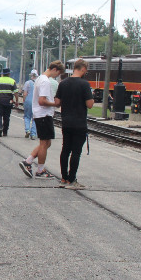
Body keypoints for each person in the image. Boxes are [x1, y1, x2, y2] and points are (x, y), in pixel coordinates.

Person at [55, 58, 96, 189]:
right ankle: (72, 180)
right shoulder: (84, 84)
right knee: (76, 152)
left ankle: (63, 178)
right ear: (83, 69)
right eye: (86, 70)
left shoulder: (63, 83)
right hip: (79, 122)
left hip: (66, 121)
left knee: (65, 149)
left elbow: (57, 102)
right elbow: (89, 105)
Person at [19, 61, 64, 178]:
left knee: (47, 142)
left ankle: (28, 161)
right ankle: (40, 170)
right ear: (54, 69)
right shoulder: (45, 81)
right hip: (43, 114)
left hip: (41, 114)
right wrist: (55, 104)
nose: (57, 76)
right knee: (44, 143)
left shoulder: (39, 79)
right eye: (58, 73)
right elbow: (42, 100)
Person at [0, 68, 19, 137]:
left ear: (2, 74)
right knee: (6, 117)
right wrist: (17, 101)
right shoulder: (12, 81)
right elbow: (16, 92)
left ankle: (0, 127)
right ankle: (5, 131)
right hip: (8, 101)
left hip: (0, 100)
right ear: (9, 73)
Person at [22, 70, 37, 138]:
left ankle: (27, 130)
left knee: (27, 116)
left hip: (28, 101)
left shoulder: (27, 83)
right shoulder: (39, 83)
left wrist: (24, 101)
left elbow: (25, 94)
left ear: (31, 75)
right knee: (35, 118)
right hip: (36, 102)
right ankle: (33, 134)